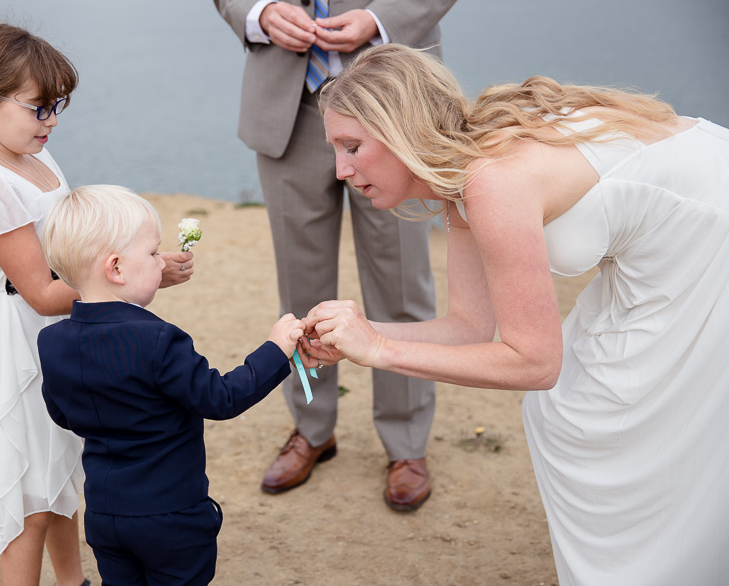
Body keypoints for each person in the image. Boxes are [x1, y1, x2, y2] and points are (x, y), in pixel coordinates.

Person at [302, 43, 729, 585]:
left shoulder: (492, 182)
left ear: (399, 127)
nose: (341, 170)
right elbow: (469, 328)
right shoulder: (457, 175)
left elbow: (536, 364)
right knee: (572, 411)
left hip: (712, 230)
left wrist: (382, 351)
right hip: (664, 251)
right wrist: (360, 337)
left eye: (352, 146)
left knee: (590, 413)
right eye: (335, 150)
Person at [0, 23, 193, 585]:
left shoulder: (35, 154)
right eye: (38, 108)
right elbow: (43, 292)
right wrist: (128, 281)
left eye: (57, 106)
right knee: (29, 498)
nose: (51, 121)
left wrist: (131, 260)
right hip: (24, 340)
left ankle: (73, 580)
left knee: (61, 475)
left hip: (66, 330)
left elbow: (69, 249)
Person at [209, 0, 474, 511]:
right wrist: (260, 12)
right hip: (287, 108)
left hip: (394, 104)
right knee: (300, 288)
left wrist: (379, 18)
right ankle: (311, 427)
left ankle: (406, 442)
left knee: (401, 286)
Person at [37, 185, 306, 585]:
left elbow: (62, 414)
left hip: (105, 514)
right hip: (170, 514)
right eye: (152, 254)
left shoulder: (51, 341)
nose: (161, 262)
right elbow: (221, 398)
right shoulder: (158, 338)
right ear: (116, 268)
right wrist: (276, 349)